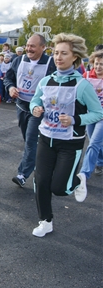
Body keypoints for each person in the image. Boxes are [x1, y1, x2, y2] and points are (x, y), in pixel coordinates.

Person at [29, 33, 103, 237]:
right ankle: (46, 221)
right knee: (41, 182)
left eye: (64, 53)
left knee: (60, 188)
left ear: (75, 57)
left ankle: (79, 181)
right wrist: (36, 108)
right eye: (55, 53)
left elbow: (99, 113)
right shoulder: (45, 81)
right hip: (46, 138)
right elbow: (35, 101)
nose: (58, 57)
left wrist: (75, 120)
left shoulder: (82, 85)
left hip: (70, 143)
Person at [3, 34, 57, 188]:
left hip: (38, 110)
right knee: (29, 140)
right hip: (21, 106)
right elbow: (8, 78)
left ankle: (22, 174)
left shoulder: (51, 63)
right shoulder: (18, 60)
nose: (29, 48)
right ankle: (40, 161)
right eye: (27, 45)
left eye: (33, 46)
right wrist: (10, 87)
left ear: (43, 47)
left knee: (31, 140)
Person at [74, 49, 103, 201]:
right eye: (97, 64)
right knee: (94, 142)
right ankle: (100, 161)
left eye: (102, 65)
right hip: (90, 115)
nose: (99, 67)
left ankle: (84, 173)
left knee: (93, 143)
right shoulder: (86, 77)